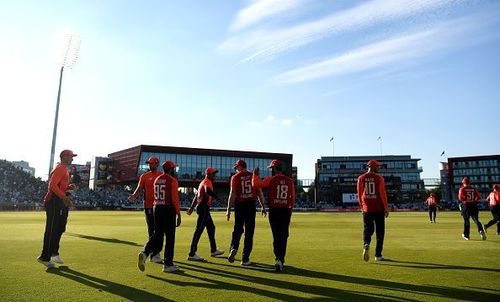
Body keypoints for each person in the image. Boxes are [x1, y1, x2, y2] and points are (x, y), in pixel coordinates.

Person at [138, 161, 182, 273]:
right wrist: (178, 213)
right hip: (168, 209)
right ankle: (168, 264)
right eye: (174, 169)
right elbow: (174, 198)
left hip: (156, 207)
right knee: (170, 237)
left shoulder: (157, 179)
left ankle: (145, 252)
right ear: (171, 169)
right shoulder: (172, 180)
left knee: (157, 234)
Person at [252, 159, 295, 272]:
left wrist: (255, 175)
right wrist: (290, 210)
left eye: (271, 168)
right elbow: (292, 198)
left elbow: (256, 184)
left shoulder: (270, 179)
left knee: (276, 235)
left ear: (274, 169)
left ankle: (278, 258)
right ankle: (281, 258)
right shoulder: (289, 181)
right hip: (285, 210)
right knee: (284, 235)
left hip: (274, 210)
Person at [37, 149, 77, 268]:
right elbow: (52, 185)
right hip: (54, 201)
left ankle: (54, 253)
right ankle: (44, 257)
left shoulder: (64, 169)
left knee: (60, 227)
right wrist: (64, 197)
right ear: (64, 157)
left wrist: (68, 187)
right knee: (52, 229)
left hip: (59, 200)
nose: (72, 159)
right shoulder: (60, 168)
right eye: (71, 156)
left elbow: (59, 185)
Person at [226, 160, 267, 266]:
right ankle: (245, 259)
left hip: (239, 205)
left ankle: (234, 247)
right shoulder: (253, 176)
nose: (235, 169)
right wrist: (263, 206)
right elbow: (259, 192)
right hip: (250, 205)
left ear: (240, 166)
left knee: (237, 229)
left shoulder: (235, 177)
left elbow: (232, 194)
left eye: (236, 167)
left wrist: (228, 209)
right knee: (249, 232)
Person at [129, 156, 163, 263]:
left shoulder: (161, 175)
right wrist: (134, 196)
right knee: (151, 230)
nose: (150, 165)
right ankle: (154, 253)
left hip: (159, 206)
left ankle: (153, 253)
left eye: (152, 163)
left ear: (157, 164)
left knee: (159, 231)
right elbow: (139, 188)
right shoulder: (144, 176)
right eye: (149, 163)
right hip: (148, 206)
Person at [187, 167, 224, 261]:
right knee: (198, 230)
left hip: (203, 208)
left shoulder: (202, 182)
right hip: (203, 208)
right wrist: (217, 197)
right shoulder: (207, 182)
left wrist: (191, 208)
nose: (215, 175)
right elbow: (207, 190)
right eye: (213, 174)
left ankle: (214, 249)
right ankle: (192, 253)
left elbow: (196, 196)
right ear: (208, 174)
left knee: (211, 227)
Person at [357, 159, 389, 262]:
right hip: (378, 208)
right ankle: (378, 255)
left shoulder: (361, 178)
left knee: (367, 229)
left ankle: (366, 243)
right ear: (374, 167)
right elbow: (382, 194)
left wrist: (362, 207)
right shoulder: (379, 178)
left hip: (367, 209)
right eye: (377, 167)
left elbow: (359, 193)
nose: (378, 168)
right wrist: (386, 208)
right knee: (380, 232)